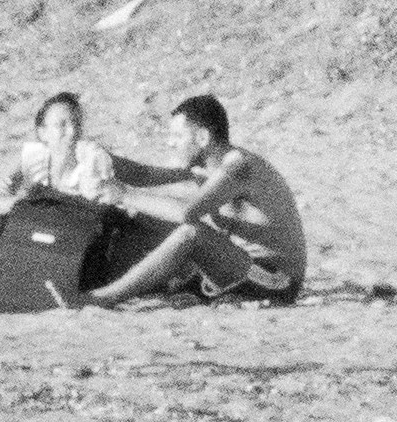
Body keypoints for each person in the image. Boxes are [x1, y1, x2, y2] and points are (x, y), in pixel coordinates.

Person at [82, 91, 307, 308]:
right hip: (241, 266)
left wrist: (123, 194)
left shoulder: (237, 166)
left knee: (191, 233)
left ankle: (103, 298)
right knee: (141, 219)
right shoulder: (206, 167)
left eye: (178, 136)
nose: (171, 143)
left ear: (202, 137)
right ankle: (96, 280)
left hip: (277, 280)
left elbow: (187, 213)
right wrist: (96, 155)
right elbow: (143, 176)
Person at [0, 87, 119, 301]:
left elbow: (105, 207)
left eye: (76, 123)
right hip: (39, 229)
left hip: (74, 235)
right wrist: (21, 202)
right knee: (0, 214)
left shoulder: (92, 160)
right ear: (42, 133)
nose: (72, 132)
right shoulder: (32, 158)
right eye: (62, 125)